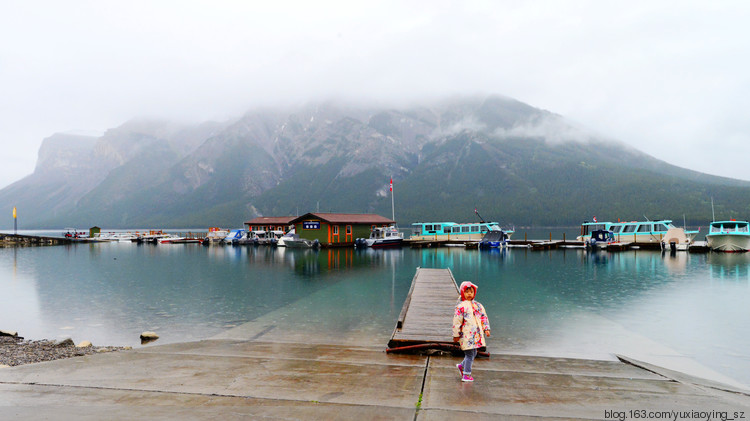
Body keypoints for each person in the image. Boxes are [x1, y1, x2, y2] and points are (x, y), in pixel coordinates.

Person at [452, 281, 490, 382]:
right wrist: (456, 335)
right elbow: (457, 321)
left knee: (473, 353)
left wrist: (486, 328)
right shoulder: (461, 306)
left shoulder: (478, 305)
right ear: (462, 293)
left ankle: (462, 366)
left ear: (474, 293)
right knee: (469, 354)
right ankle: (466, 375)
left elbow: (483, 317)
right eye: (467, 291)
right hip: (466, 335)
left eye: (471, 292)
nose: (469, 294)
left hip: (476, 335)